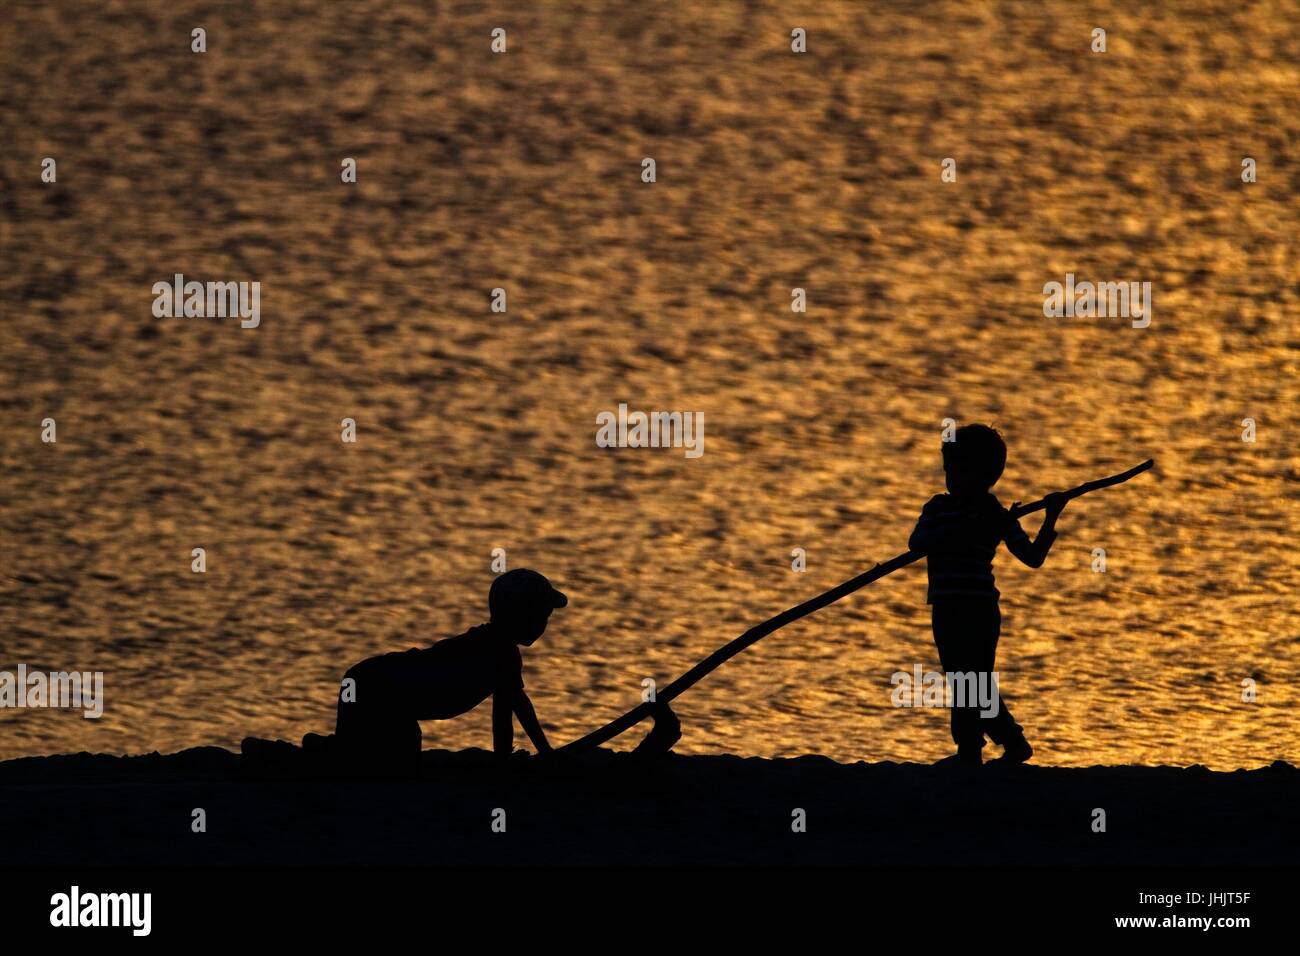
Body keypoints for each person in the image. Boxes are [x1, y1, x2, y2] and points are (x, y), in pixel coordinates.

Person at [908, 425, 1067, 766]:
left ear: (987, 475)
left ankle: (974, 750)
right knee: (962, 680)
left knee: (973, 681)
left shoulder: (995, 515)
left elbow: (1032, 558)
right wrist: (951, 531)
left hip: (979, 611)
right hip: (946, 609)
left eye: (962, 470)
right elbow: (916, 543)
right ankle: (997, 744)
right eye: (949, 469)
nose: (953, 478)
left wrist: (1051, 516)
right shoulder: (937, 508)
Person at [310, 568, 565, 774]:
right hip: (374, 685)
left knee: (360, 751)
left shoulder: (492, 644)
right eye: (543, 616)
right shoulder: (499, 654)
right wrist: (505, 764)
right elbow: (503, 716)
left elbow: (518, 704)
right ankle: (327, 752)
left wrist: (544, 752)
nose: (544, 624)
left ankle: (327, 749)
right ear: (524, 617)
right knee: (396, 761)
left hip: (366, 678)